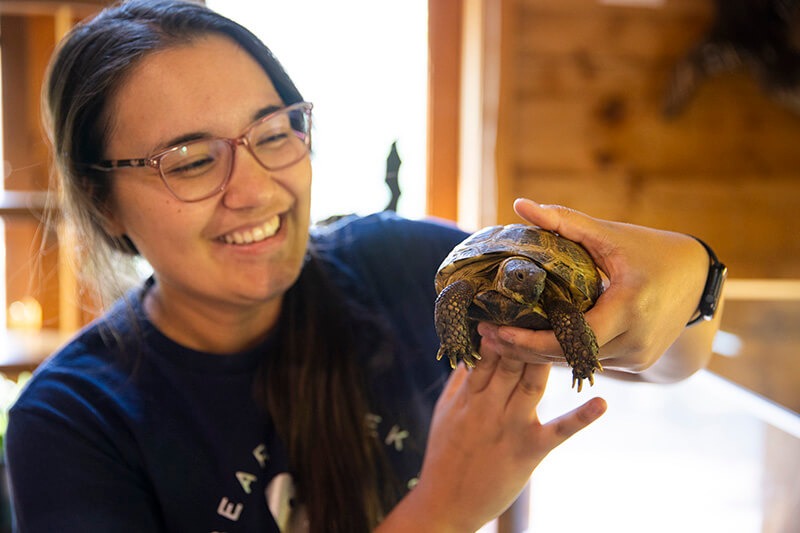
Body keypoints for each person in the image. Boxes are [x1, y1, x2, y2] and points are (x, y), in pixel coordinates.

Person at [4, 1, 722, 532]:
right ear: (102, 203)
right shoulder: (73, 424)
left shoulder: (403, 266)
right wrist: (444, 505)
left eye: (274, 131)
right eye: (191, 160)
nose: (255, 187)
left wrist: (690, 273)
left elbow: (674, 356)